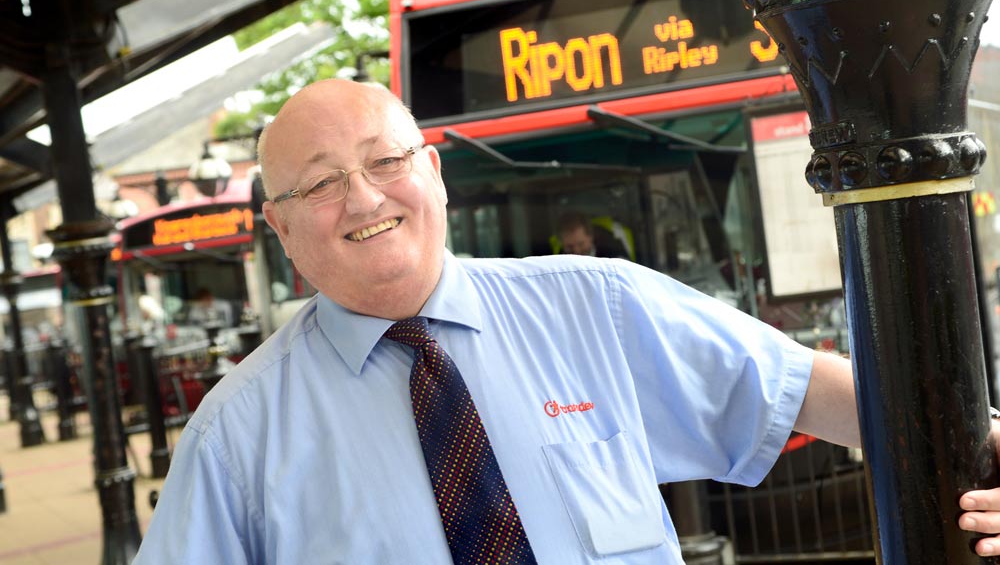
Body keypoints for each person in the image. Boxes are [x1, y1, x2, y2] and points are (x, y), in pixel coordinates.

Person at [134, 79, 1000, 563]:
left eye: (385, 160)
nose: (363, 197)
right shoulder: (235, 440)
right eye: (318, 183)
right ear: (280, 227)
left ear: (433, 175)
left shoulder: (599, 306)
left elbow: (824, 397)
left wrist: (986, 452)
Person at [555, 210, 632, 260]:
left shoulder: (613, 256)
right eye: (569, 247)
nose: (576, 251)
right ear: (561, 243)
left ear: (591, 237)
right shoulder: (556, 264)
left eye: (581, 244)